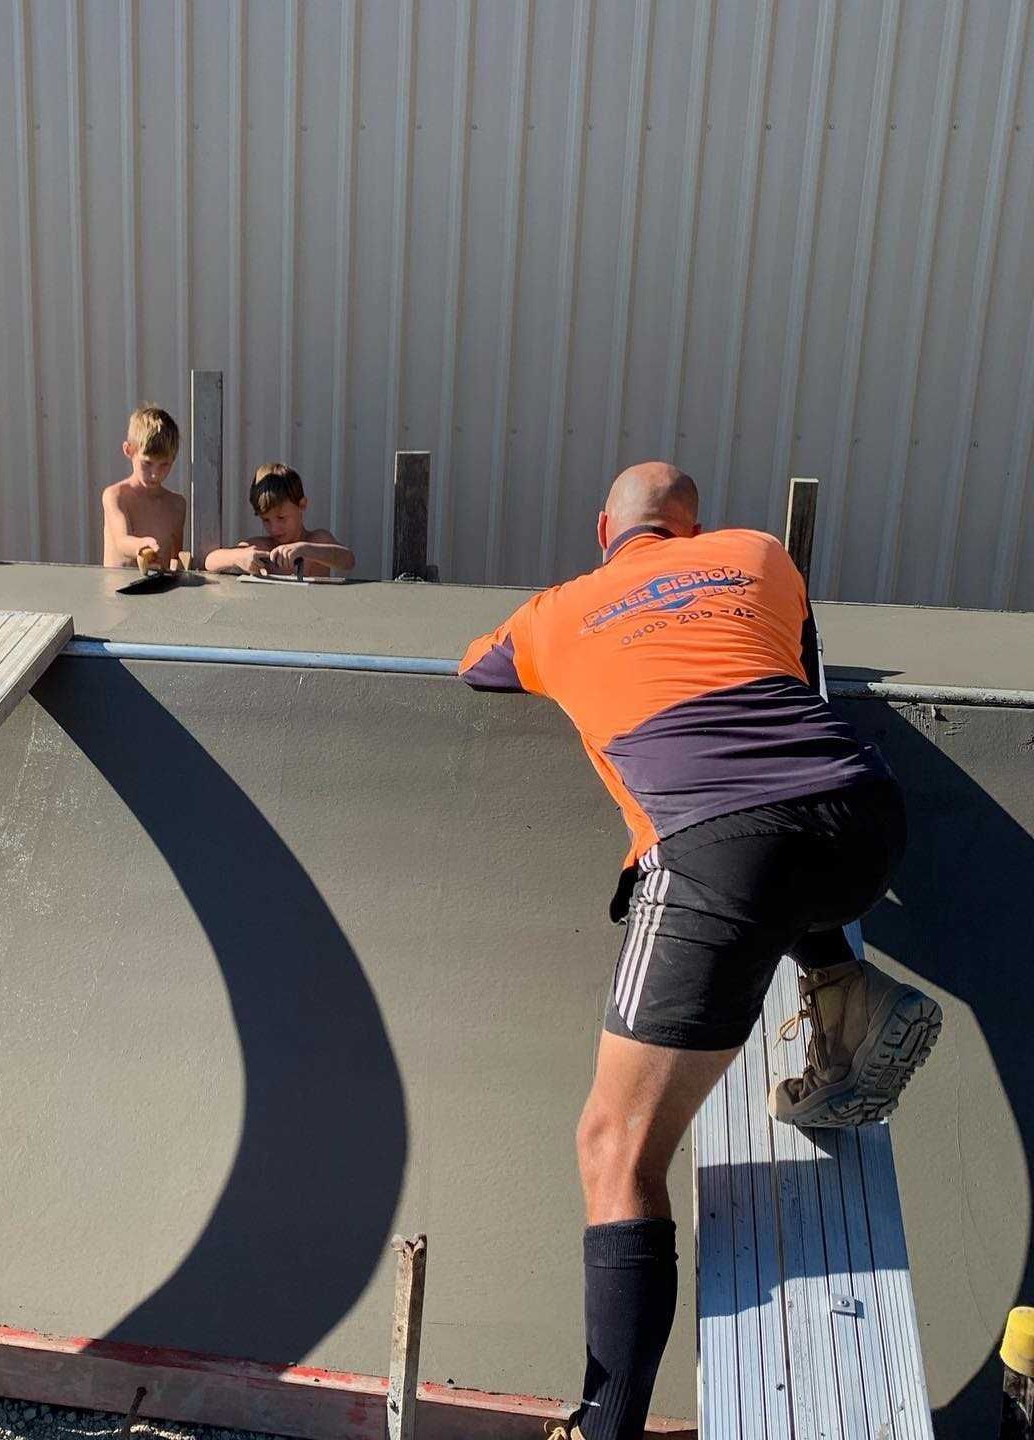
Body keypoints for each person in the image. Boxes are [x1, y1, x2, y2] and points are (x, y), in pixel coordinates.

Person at [459, 462, 941, 1440]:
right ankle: (842, 986)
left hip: (720, 847)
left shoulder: (556, 609)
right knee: (786, 837)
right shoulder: (758, 555)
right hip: (864, 816)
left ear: (605, 528)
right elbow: (800, 662)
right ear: (694, 526)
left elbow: (477, 665)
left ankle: (604, 1429)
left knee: (615, 1149)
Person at [203, 463, 355, 576]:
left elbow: (348, 560)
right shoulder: (262, 547)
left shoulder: (318, 540)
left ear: (302, 505)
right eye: (266, 520)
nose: (274, 528)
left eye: (281, 518)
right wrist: (238, 557)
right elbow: (210, 560)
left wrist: (306, 550)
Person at [102, 406, 186, 570]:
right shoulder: (116, 495)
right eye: (147, 463)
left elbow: (177, 559)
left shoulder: (177, 505)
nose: (155, 474)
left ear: (174, 459)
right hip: (118, 592)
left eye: (164, 465)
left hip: (160, 592)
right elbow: (121, 541)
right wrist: (141, 546)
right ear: (129, 450)